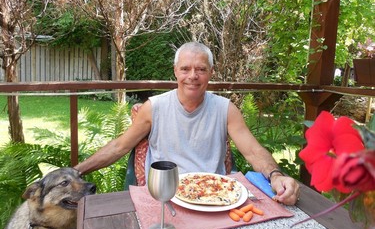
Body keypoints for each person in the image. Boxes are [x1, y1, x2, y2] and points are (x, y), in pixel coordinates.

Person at [74, 41, 300, 205]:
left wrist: (276, 176)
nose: (193, 76)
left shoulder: (225, 109)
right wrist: (75, 171)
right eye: (185, 69)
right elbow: (119, 146)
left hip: (216, 196)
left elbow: (253, 151)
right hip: (165, 197)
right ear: (176, 72)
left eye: (201, 69)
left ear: (210, 72)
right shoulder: (155, 107)